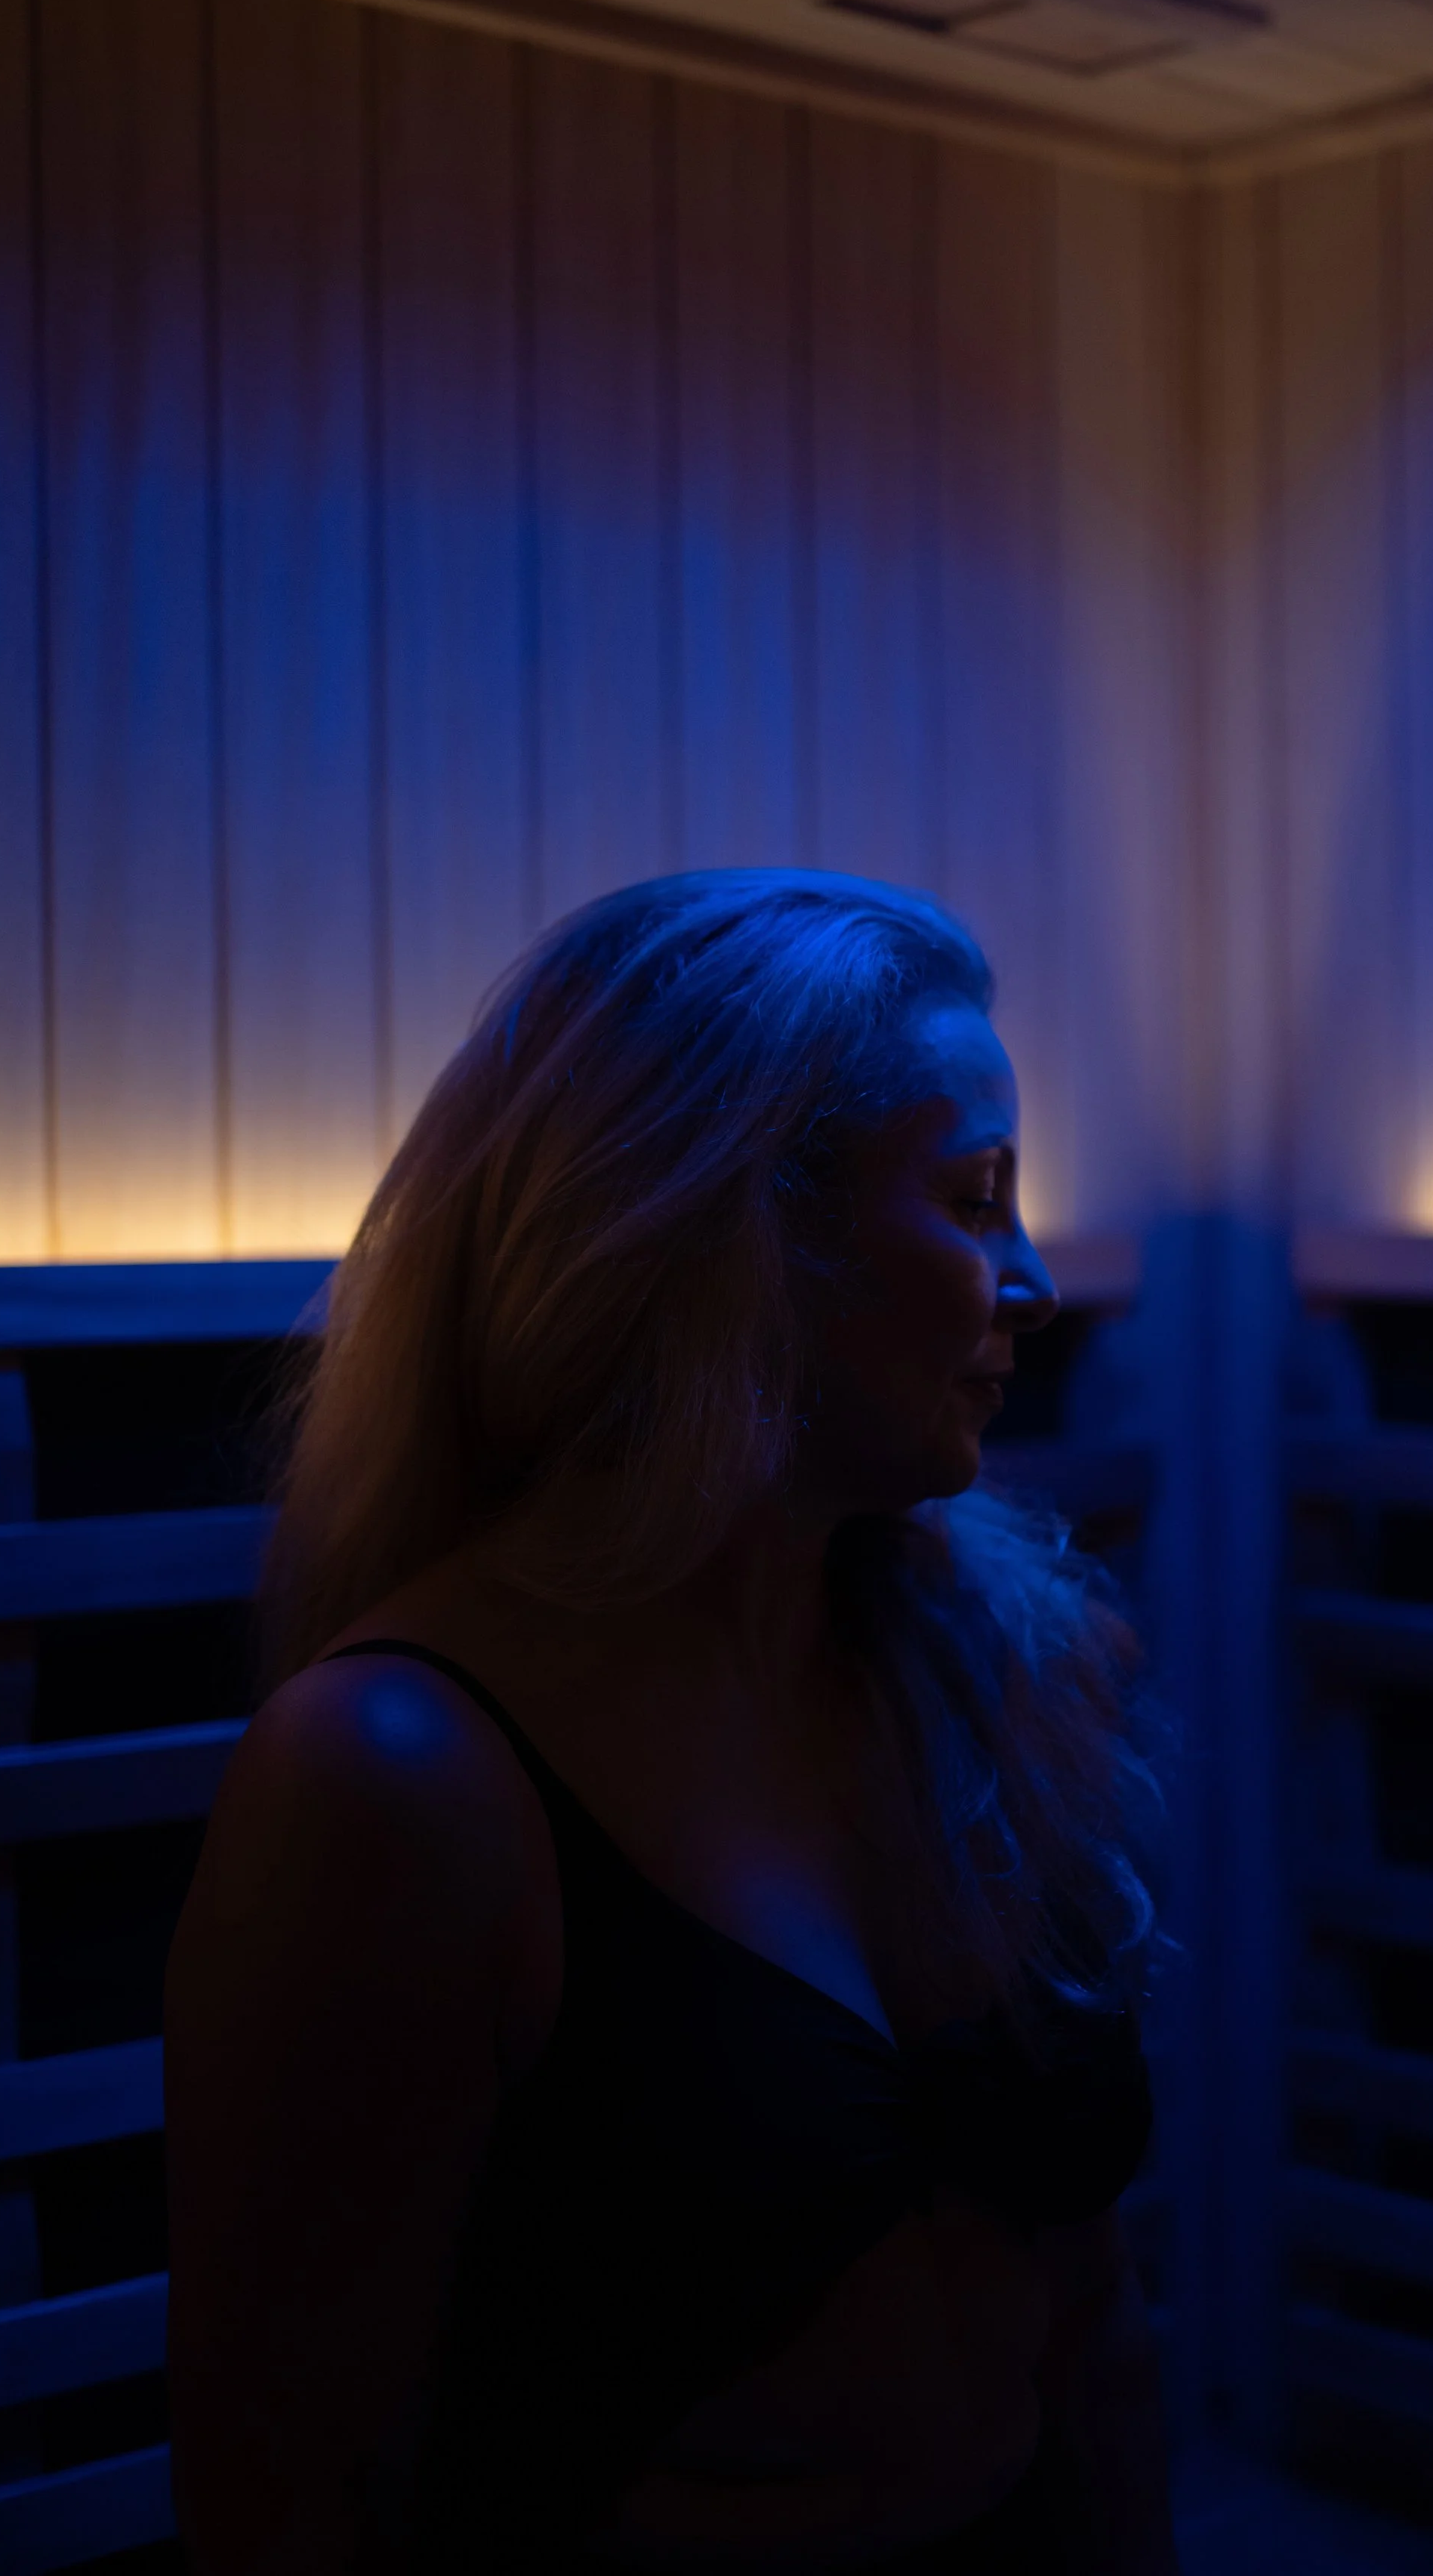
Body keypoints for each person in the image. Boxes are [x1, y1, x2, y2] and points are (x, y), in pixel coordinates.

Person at [165, 868, 1176, 2574]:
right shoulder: (402, 1784)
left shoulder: (1013, 1669)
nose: (1029, 1283)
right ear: (736, 1241)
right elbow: (287, 2490)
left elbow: (1095, 2319)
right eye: (973, 1196)